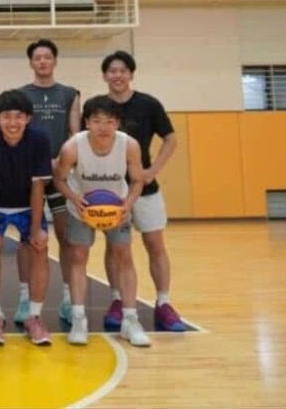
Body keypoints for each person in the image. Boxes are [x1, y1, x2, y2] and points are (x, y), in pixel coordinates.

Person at [52, 95, 151, 347]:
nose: (103, 127)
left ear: (117, 123)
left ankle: (131, 321)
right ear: (87, 122)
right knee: (78, 257)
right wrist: (75, 198)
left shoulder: (129, 145)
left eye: (109, 121)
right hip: (82, 209)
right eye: (96, 121)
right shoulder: (72, 147)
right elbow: (59, 179)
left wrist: (128, 203)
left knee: (124, 256)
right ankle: (78, 319)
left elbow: (137, 180)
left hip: (117, 208)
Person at [101, 51, 184, 332]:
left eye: (122, 70)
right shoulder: (98, 107)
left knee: (155, 244)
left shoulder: (149, 104)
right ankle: (117, 300)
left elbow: (170, 139)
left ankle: (164, 303)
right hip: (112, 191)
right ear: (105, 76)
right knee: (116, 247)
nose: (117, 75)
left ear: (131, 74)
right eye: (112, 71)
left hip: (146, 189)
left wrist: (153, 170)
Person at [0, 90, 53, 347]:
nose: (12, 122)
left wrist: (36, 229)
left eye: (18, 117)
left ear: (28, 118)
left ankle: (34, 316)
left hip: (27, 204)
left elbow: (38, 186)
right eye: (6, 116)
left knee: (39, 248)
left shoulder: (40, 140)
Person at [19, 39, 80, 325]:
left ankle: (68, 298)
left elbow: (75, 135)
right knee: (27, 239)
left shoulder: (69, 94)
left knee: (66, 238)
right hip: (29, 176)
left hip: (59, 175)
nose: (42, 61)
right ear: (31, 63)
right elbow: (17, 134)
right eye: (37, 57)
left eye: (47, 57)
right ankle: (24, 298)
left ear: (55, 61)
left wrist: (61, 162)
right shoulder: (21, 95)